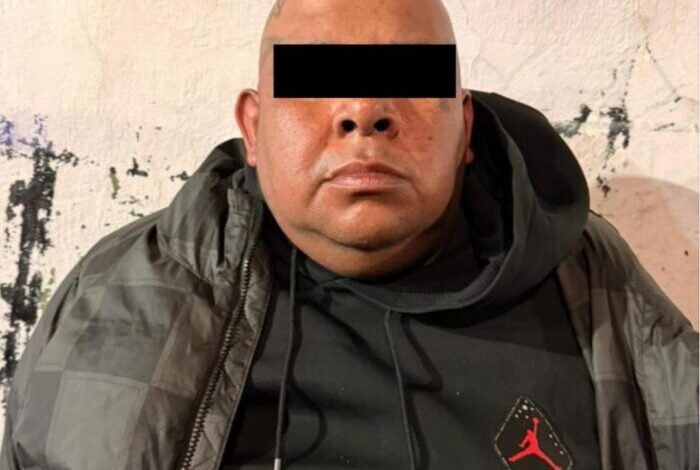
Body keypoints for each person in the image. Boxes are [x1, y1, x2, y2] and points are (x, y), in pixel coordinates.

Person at [1, 0, 698, 469]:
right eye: (314, 80)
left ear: (466, 127)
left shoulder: (588, 284)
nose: (363, 109)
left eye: (409, 79)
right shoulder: (123, 298)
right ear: (253, 127)